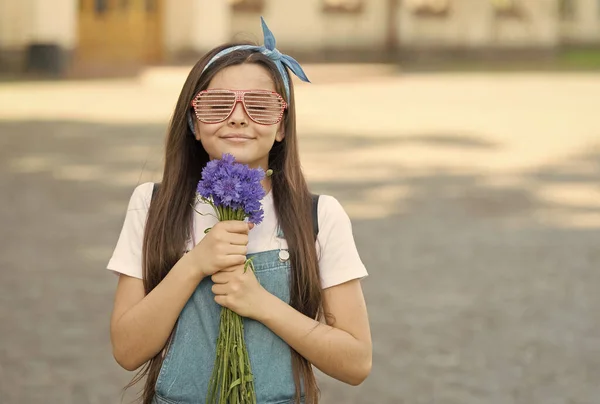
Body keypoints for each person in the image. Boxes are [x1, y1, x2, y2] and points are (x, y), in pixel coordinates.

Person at [107, 17, 371, 404]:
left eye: (261, 105)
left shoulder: (319, 216)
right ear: (194, 123)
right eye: (217, 104)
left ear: (282, 127)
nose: (238, 116)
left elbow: (356, 362)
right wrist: (195, 263)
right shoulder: (152, 205)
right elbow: (127, 350)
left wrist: (263, 305)